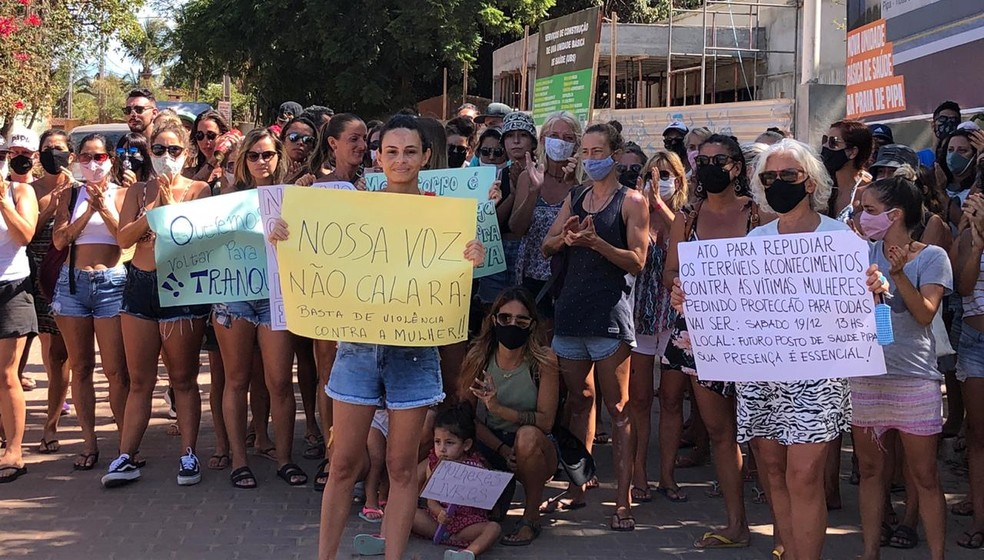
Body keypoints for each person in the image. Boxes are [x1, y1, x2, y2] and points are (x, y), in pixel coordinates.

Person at [277, 114, 484, 560]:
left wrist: (472, 254)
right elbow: (313, 247)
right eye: (391, 151)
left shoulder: (443, 214)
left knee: (402, 467)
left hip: (415, 352)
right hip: (358, 349)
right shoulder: (356, 208)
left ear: (425, 156)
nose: (400, 160)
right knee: (342, 464)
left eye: (409, 152)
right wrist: (283, 235)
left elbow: (454, 273)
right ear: (378, 156)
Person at [701, 138, 882, 559]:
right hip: (763, 373)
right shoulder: (756, 239)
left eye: (788, 175)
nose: (778, 183)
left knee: (803, 475)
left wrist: (875, 289)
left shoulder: (840, 238)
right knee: (774, 471)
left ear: (810, 181)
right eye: (769, 178)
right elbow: (737, 305)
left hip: (818, 376)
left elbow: (868, 315)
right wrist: (692, 300)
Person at [541, 122, 649, 531]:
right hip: (570, 313)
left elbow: (638, 261)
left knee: (618, 409)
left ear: (615, 154)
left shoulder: (631, 201)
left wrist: (597, 243)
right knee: (578, 402)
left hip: (608, 317)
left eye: (598, 151)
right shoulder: (576, 196)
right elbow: (547, 245)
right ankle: (577, 487)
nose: (590, 159)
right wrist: (566, 239)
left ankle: (623, 500)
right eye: (585, 152)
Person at [104, 121, 212, 488]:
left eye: (174, 150)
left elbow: (189, 240)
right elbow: (123, 239)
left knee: (182, 378)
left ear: (187, 153)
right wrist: (152, 210)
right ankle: (126, 455)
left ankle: (188, 453)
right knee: (140, 380)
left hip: (180, 287)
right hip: (140, 283)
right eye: (159, 150)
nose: (166, 157)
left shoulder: (198, 189)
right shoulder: (138, 191)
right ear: (149, 152)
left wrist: (169, 206)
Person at [662, 134, 754, 548]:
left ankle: (786, 529)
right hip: (699, 336)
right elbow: (670, 271)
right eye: (704, 160)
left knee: (763, 434)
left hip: (754, 337)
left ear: (737, 166)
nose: (711, 167)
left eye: (721, 160)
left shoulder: (759, 215)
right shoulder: (687, 217)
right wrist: (678, 286)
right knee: (720, 431)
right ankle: (736, 523)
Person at [852, 175, 950, 560]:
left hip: (914, 378)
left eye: (869, 210)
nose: (862, 217)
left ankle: (938, 555)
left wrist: (897, 276)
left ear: (895, 214)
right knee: (871, 472)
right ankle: (869, 552)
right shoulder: (861, 253)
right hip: (867, 378)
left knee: (924, 475)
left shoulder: (932, 257)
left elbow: (925, 315)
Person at [211, 128, 305, 490]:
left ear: (279, 157)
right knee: (236, 380)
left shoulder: (291, 196)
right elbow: (213, 244)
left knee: (279, 381)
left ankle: (284, 458)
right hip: (234, 293)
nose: (261, 161)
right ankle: (239, 460)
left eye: (268, 154)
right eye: (254, 155)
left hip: (276, 294)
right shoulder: (227, 197)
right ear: (243, 160)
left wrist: (289, 228)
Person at [51, 133, 130, 472]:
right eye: (86, 157)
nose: (93, 163)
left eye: (99, 157)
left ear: (111, 159)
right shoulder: (70, 194)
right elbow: (60, 240)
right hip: (74, 285)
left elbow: (125, 237)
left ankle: (126, 444)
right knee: (81, 368)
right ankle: (89, 442)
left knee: (116, 371)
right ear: (77, 160)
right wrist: (87, 213)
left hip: (112, 283)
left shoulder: (124, 193)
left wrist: (104, 208)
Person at [461, 287, 559, 546]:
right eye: (505, 318)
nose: (512, 325)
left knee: (527, 436)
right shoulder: (479, 356)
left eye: (521, 320)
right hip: (492, 443)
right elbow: (465, 418)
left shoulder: (544, 360)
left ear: (532, 325)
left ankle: (531, 516)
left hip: (534, 446)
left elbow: (546, 421)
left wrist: (498, 408)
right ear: (494, 320)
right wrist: (502, 450)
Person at [630, 150, 688, 503]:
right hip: (639, 315)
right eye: (653, 173)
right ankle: (638, 470)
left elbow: (685, 248)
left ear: (678, 180)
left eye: (665, 175)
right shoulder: (633, 209)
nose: (658, 180)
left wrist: (661, 206)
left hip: (674, 318)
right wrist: (644, 204)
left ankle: (668, 475)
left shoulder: (686, 216)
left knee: (671, 399)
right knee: (638, 399)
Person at [510, 111, 581, 325]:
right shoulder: (528, 176)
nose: (560, 142)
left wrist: (575, 186)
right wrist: (534, 191)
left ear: (576, 145)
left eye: (568, 138)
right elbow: (517, 228)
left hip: (566, 277)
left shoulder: (583, 183)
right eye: (554, 136)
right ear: (543, 140)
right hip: (530, 276)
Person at [28, 130, 73, 454]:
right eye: (47, 148)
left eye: (59, 148)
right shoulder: (29, 190)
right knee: (18, 357)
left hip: (63, 279)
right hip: (29, 278)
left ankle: (51, 425)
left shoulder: (78, 189)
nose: (53, 153)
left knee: (59, 355)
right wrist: (51, 206)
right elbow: (23, 234)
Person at [0, 132, 39, 483]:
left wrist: (3, 202)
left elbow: (25, 235)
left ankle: (14, 450)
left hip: (11, 288)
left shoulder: (20, 192)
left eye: (2, 157)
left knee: (6, 373)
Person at [476, 112, 536, 308]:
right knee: (491, 310)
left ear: (533, 141)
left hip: (529, 257)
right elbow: (490, 223)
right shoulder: (496, 177)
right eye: (510, 136)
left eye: (523, 135)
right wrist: (512, 193)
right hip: (496, 253)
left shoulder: (541, 174)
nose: (516, 141)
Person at [953, 190, 984, 549]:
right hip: (975, 342)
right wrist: (976, 245)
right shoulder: (966, 236)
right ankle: (979, 519)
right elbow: (963, 288)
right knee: (978, 434)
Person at [821, 119, 873, 221]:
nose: (825, 146)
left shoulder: (867, 193)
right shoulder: (823, 188)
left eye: (833, 142)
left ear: (853, 152)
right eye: (825, 140)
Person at [312, 113, 367, 184]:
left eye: (364, 139)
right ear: (333, 143)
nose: (363, 146)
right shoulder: (321, 186)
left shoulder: (374, 183)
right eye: (354, 139)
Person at [186, 110, 231, 181]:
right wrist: (214, 159)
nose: (205, 141)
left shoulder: (231, 170)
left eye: (211, 135)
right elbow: (194, 185)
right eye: (200, 135)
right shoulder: (190, 172)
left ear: (224, 136)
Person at [279, 115, 318, 185]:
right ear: (283, 140)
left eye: (307, 139)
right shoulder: (270, 169)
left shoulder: (318, 175)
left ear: (313, 146)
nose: (300, 142)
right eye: (293, 137)